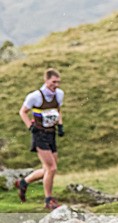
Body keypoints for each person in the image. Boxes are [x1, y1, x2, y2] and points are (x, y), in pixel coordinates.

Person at [16, 68, 64, 210]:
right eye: (53, 82)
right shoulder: (35, 96)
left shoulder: (59, 95)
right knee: (51, 168)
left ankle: (24, 182)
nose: (56, 85)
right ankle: (48, 200)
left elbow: (58, 110)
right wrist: (30, 126)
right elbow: (23, 111)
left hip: (51, 133)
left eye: (58, 82)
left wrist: (60, 125)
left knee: (49, 169)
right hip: (39, 134)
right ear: (46, 80)